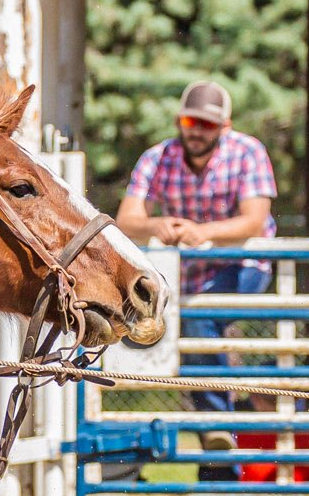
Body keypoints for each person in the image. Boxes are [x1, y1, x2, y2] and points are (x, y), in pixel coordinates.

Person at [114, 81, 277, 453]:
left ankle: (216, 421)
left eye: (208, 124)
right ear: (179, 121)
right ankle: (220, 426)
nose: (198, 131)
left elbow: (255, 220)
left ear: (225, 126)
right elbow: (128, 218)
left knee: (199, 317)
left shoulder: (248, 152)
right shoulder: (158, 156)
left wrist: (201, 232)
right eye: (192, 122)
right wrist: (156, 225)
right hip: (188, 272)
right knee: (189, 330)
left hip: (244, 262)